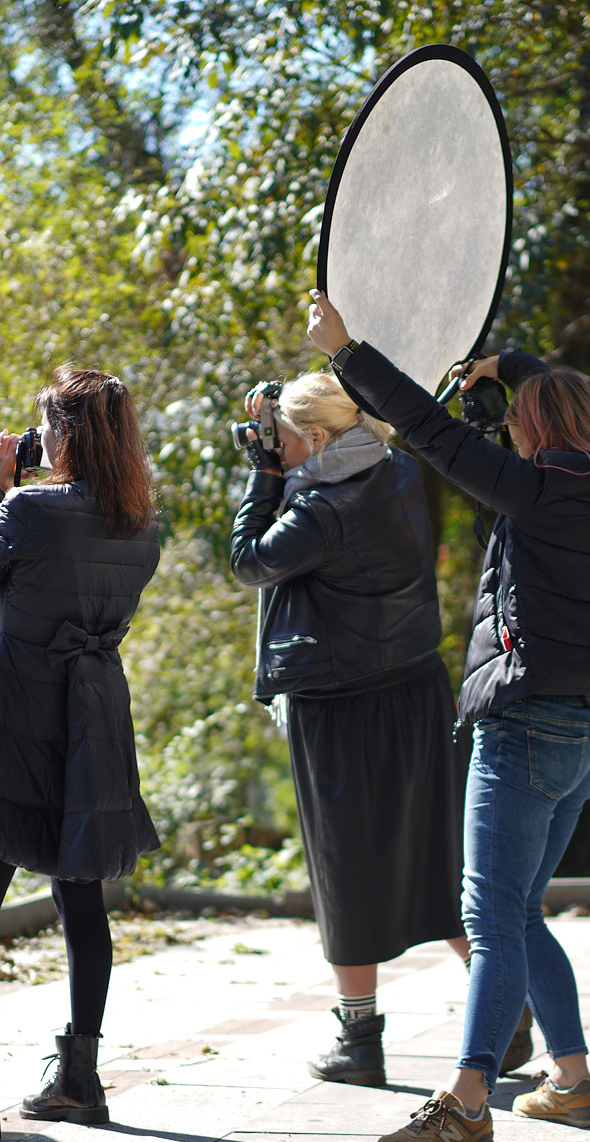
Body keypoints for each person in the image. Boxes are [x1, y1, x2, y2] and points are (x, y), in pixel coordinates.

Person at [305, 292, 590, 1142]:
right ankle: (575, 1081)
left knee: (489, 917)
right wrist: (509, 369)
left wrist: (348, 352)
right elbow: (548, 404)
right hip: (583, 731)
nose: (506, 439)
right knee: (519, 910)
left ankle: (468, 1099)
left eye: (514, 425)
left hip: (523, 728)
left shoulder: (540, 488)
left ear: (532, 433)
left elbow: (430, 433)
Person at [228, 372, 503, 1089]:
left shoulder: (319, 510)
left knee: (344, 864)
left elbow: (250, 560)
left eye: (284, 439)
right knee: (441, 857)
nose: (275, 448)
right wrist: (282, 460)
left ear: (316, 439)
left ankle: (359, 1037)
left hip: (338, 699)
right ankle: (513, 1007)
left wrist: (261, 476)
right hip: (415, 685)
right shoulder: (399, 469)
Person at [0, 367, 162, 1141]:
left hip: (20, 712)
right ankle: (81, 1080)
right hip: (93, 713)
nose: (39, 440)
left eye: (46, 428)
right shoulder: (141, 522)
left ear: (67, 436)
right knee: (80, 897)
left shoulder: (28, 507)